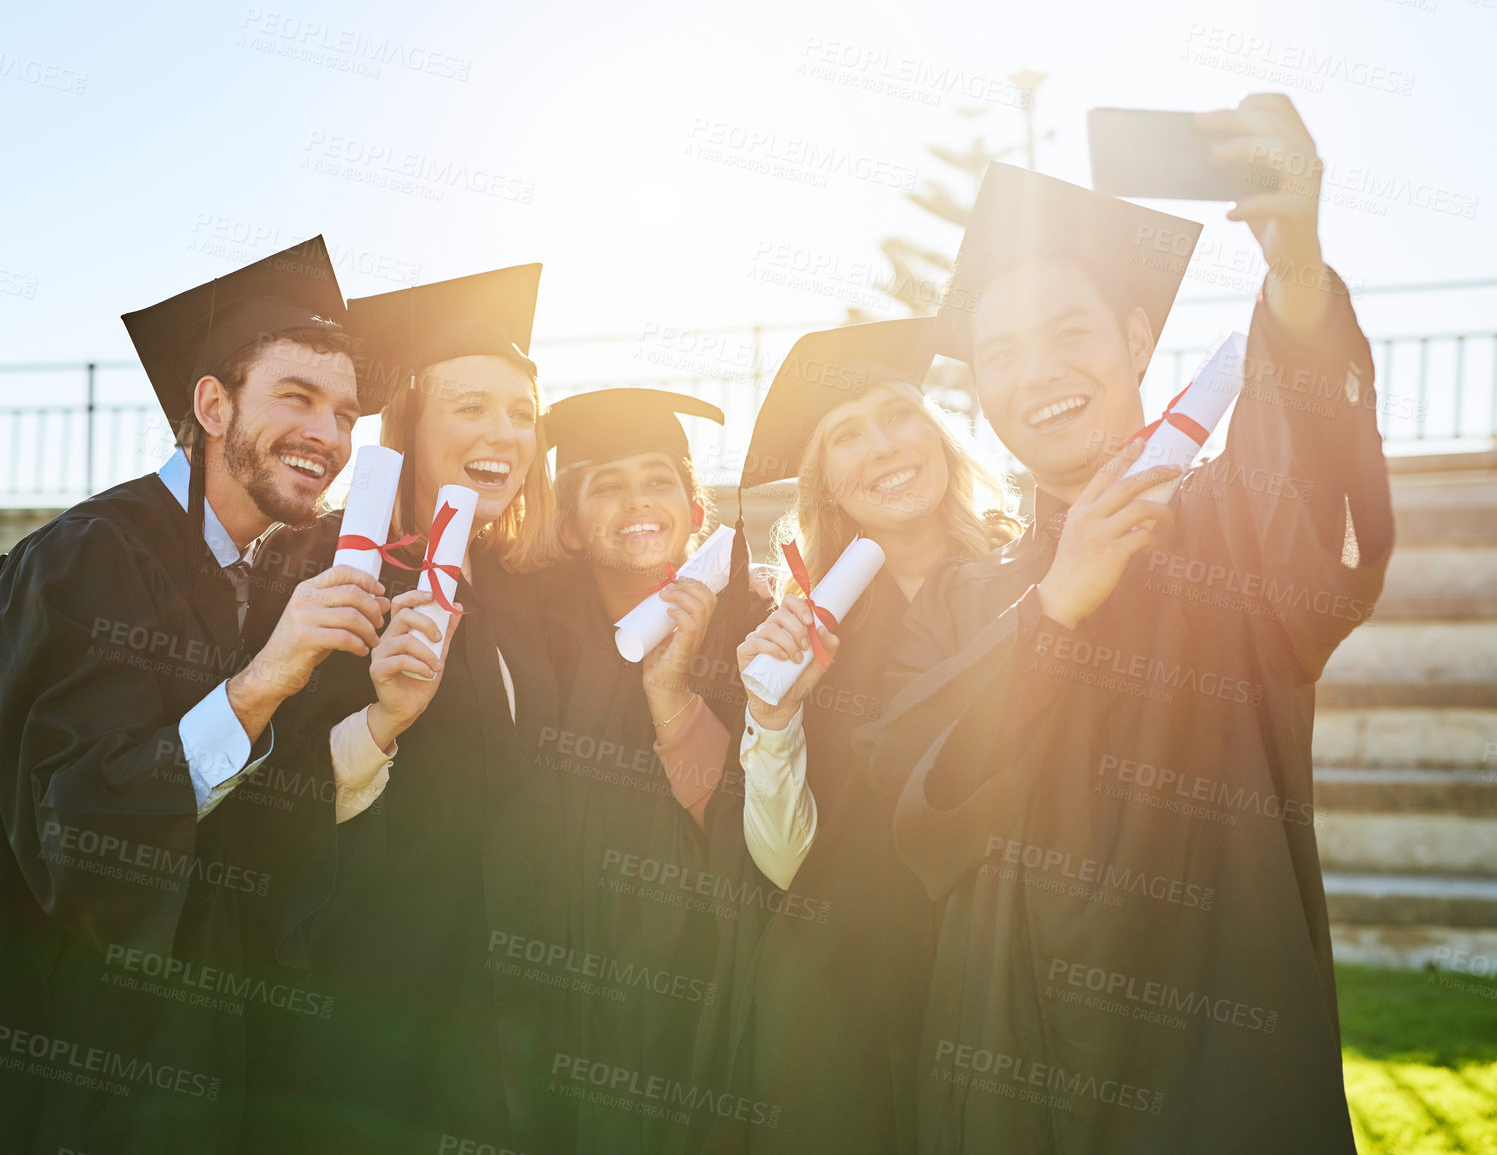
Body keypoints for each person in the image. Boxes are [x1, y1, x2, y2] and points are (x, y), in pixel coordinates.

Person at [865, 96, 1392, 1152]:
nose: (1039, 373)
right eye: (1002, 352)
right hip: (1010, 1064)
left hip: (1214, 1061)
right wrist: (1054, 604)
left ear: (1139, 339)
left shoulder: (1223, 526)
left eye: (1071, 333)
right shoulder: (966, 597)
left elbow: (1315, 491)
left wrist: (1295, 267)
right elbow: (915, 802)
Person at [0, 238, 393, 1154]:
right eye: (297, 396)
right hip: (51, 1063)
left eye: (345, 412)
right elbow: (80, 830)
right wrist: (266, 678)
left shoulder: (258, 577)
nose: (328, 434)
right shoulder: (85, 561)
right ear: (211, 403)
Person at [242, 263, 567, 1155]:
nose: (503, 431)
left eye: (521, 413)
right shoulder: (310, 564)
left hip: (504, 1007)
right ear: (412, 423)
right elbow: (256, 802)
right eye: (469, 405)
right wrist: (380, 724)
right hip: (358, 1006)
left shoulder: (527, 588)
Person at [706, 318, 1021, 1153]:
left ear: (940, 436)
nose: (883, 446)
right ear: (826, 486)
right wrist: (774, 716)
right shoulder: (803, 636)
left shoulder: (1029, 585)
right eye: (846, 434)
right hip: (845, 1004)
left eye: (898, 414)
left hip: (1011, 984)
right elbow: (782, 863)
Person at [534, 387, 770, 1153]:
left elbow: (756, 835)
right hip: (549, 984)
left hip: (704, 984)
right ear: (568, 526)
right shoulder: (531, 641)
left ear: (696, 509)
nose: (636, 500)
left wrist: (674, 697)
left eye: (658, 479)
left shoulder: (753, 629)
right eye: (605, 483)